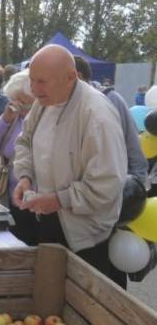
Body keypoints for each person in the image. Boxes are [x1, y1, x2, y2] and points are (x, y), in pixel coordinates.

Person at [13, 45, 127, 288]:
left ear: (70, 78)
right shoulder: (43, 101)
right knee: (50, 292)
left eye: (42, 82)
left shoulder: (97, 115)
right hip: (49, 217)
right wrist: (25, 176)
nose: (34, 89)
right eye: (32, 81)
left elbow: (107, 185)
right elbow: (24, 140)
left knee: (82, 306)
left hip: (85, 235)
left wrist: (58, 199)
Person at [0, 70, 37, 245]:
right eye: (16, 100)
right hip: (8, 195)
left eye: (24, 101)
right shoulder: (14, 119)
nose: (19, 106)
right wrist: (4, 119)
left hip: (35, 199)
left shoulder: (44, 121)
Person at [74, 56, 148, 184]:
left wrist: (138, 183)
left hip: (111, 188)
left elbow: (132, 143)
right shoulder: (59, 106)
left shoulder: (111, 100)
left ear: (77, 76)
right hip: (77, 191)